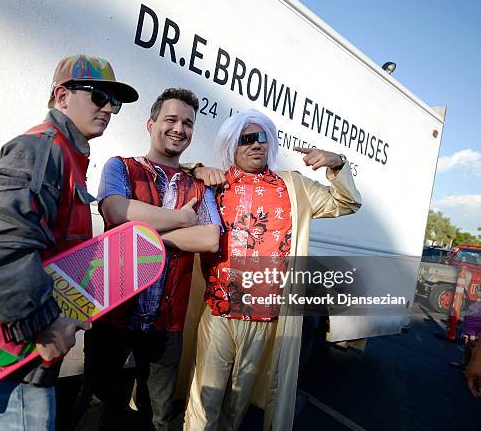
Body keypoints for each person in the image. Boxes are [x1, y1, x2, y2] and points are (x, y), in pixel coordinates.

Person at [0, 54, 138, 430]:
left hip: (27, 353)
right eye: (98, 96)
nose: (108, 108)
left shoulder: (69, 155)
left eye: (114, 102)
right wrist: (42, 324)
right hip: (13, 353)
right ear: (61, 96)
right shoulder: (41, 148)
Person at [185, 109, 362, 430]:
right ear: (231, 146)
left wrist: (337, 163)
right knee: (203, 402)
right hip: (219, 312)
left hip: (265, 317)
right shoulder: (215, 182)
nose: (255, 144)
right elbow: (174, 173)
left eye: (262, 137)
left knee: (236, 403)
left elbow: (346, 202)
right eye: (246, 139)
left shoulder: (293, 186)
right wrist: (197, 168)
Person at [73, 88, 221, 430]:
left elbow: (210, 238)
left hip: (166, 323)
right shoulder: (121, 167)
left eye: (188, 123)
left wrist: (144, 233)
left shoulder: (200, 186)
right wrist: (184, 220)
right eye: (171, 119)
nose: (179, 128)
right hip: (113, 310)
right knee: (95, 404)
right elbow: (115, 209)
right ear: (150, 123)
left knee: (158, 416)